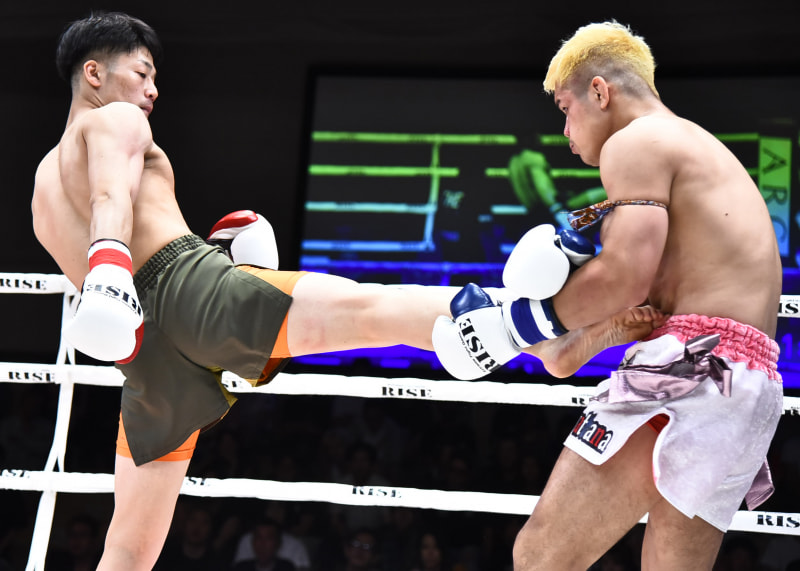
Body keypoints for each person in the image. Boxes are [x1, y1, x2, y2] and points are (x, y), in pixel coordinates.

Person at [31, 12, 667, 570]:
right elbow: (113, 198)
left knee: (127, 552)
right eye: (141, 73)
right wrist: (111, 264)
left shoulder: (40, 194)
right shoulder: (115, 120)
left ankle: (532, 336)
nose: (151, 90)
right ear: (95, 73)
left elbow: (114, 271)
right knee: (370, 310)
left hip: (146, 361)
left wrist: (128, 276)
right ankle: (533, 327)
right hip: (187, 293)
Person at [434, 20, 783, 570]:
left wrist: (512, 329)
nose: (565, 130)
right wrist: (571, 337)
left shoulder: (636, 141)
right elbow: (635, 303)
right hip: (748, 385)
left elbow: (623, 277)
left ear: (600, 91)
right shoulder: (696, 146)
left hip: (691, 370)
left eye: (565, 108)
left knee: (540, 556)